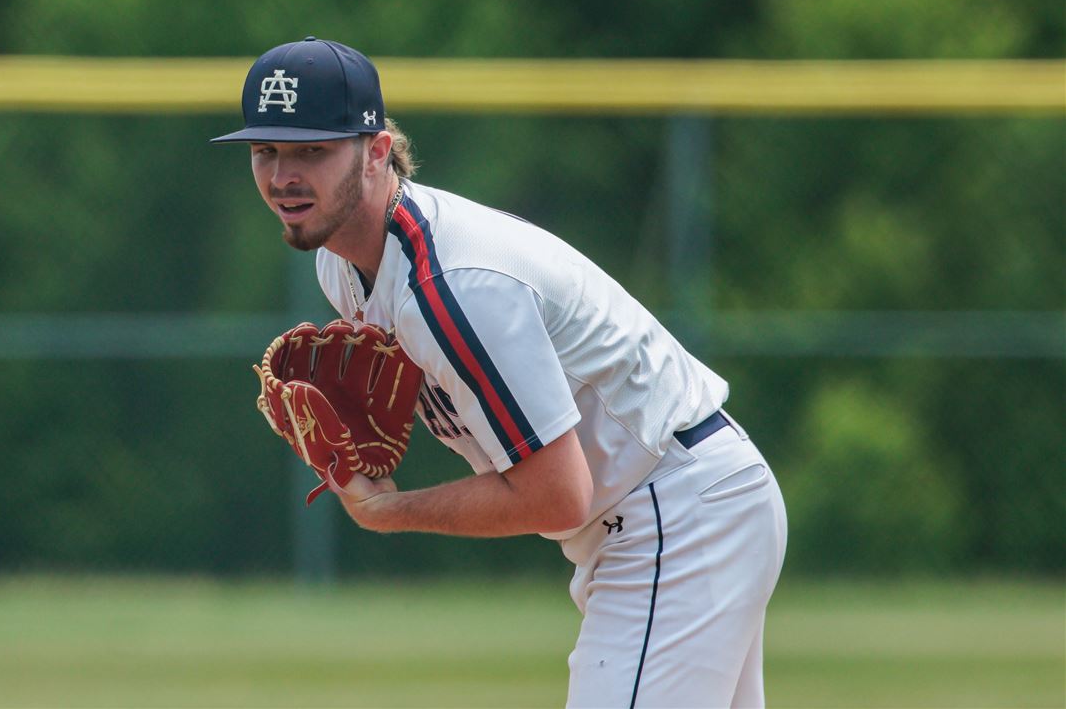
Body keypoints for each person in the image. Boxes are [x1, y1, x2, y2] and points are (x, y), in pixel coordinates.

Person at [213, 36, 787, 708]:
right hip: (665, 509)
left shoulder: (453, 285)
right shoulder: (340, 266)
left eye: (311, 150)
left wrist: (390, 511)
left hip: (677, 513)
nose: (283, 175)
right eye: (266, 150)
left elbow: (558, 493)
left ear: (375, 151)